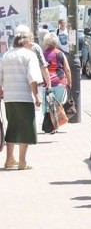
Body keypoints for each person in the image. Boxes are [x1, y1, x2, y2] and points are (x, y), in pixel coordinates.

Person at [0, 30, 43, 170]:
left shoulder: (6, 56)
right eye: (30, 40)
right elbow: (32, 77)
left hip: (9, 98)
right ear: (24, 42)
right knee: (25, 129)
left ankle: (9, 159)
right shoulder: (29, 55)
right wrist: (36, 95)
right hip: (24, 97)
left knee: (12, 126)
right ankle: (22, 161)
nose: (32, 43)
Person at [41, 32, 71, 133]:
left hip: (47, 84)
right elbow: (67, 69)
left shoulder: (42, 54)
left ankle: (51, 126)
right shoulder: (60, 53)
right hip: (60, 83)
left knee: (49, 105)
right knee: (57, 105)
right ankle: (56, 126)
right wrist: (69, 82)